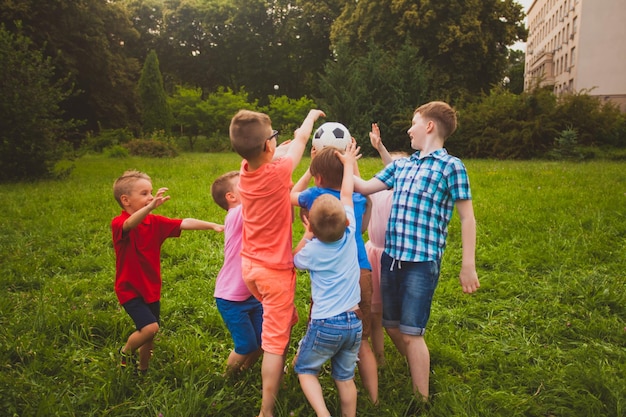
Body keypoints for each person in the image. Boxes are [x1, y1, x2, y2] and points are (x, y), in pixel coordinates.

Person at [353, 101, 480, 401]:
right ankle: (416, 361)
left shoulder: (452, 167)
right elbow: (364, 187)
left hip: (421, 263)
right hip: (392, 260)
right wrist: (341, 162)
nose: (409, 129)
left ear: (430, 126)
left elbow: (467, 218)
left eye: (413, 123)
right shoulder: (402, 166)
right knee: (393, 326)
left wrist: (468, 265)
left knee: (411, 332)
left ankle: (420, 399)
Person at [229, 108, 325, 417]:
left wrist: (279, 147)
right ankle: (266, 410)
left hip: (250, 269)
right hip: (274, 273)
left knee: (280, 319)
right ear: (268, 146)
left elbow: (284, 148)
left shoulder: (245, 170)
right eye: (273, 137)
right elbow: (299, 139)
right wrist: (310, 117)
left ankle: (274, 353)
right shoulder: (278, 171)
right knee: (275, 341)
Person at [112, 169, 224, 374]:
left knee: (149, 335)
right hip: (129, 289)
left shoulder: (154, 223)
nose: (151, 197)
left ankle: (143, 369)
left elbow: (183, 222)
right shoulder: (120, 223)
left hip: (151, 288)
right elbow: (130, 223)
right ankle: (126, 351)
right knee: (150, 328)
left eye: (151, 192)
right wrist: (149, 208)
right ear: (126, 200)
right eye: (144, 193)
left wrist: (213, 225)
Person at [291, 144, 378, 404]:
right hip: (361, 273)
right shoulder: (354, 208)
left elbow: (290, 195)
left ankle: (301, 367)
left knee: (314, 343)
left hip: (327, 312)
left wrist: (308, 169)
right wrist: (350, 164)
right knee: (362, 343)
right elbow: (350, 194)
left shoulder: (312, 196)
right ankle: (374, 400)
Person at [211, 171, 263, 376]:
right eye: (244, 183)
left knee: (263, 340)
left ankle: (244, 371)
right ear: (231, 197)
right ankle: (227, 378)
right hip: (231, 298)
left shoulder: (248, 214)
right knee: (246, 344)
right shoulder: (235, 214)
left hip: (253, 294)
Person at [365, 126, 409, 362]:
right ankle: (379, 356)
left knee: (393, 313)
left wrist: (380, 148)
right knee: (373, 312)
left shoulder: (403, 195)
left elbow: (399, 174)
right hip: (373, 253)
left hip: (394, 257)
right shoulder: (376, 191)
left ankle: (408, 353)